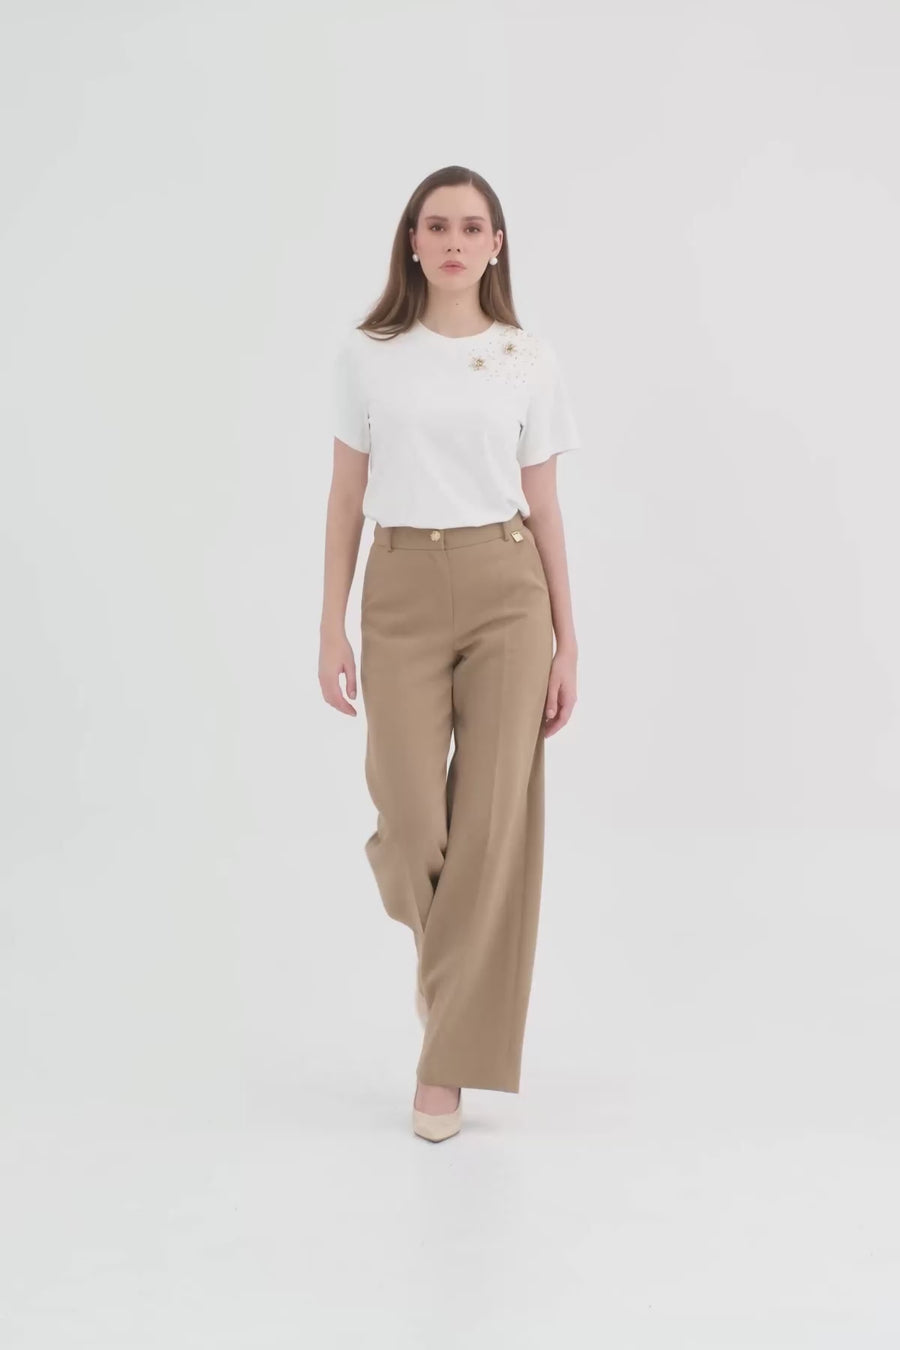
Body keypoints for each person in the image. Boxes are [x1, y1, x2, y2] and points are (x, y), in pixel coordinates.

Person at [318, 165, 581, 1142]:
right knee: (410, 818)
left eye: (473, 227)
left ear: (497, 245)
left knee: (491, 823)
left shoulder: (527, 359)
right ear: (413, 242)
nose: (455, 242)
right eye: (438, 226)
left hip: (509, 589)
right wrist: (329, 623)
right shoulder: (368, 354)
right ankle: (451, 979)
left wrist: (569, 640)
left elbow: (545, 505)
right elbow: (346, 497)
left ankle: (446, 1066)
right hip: (399, 588)